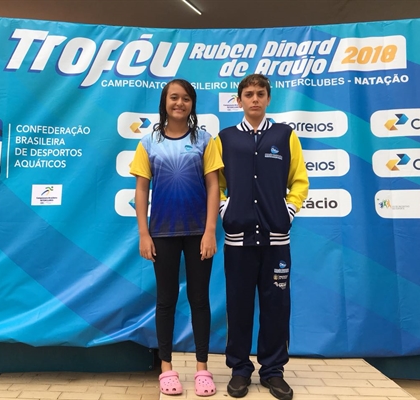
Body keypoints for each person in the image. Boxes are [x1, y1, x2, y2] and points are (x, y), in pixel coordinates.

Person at [214, 74, 309, 400]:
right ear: (239, 100)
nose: (254, 99)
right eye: (248, 94)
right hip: (238, 242)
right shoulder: (224, 138)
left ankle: (273, 371)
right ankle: (240, 370)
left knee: (276, 305)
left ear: (269, 99)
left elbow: (300, 181)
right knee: (238, 306)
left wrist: (288, 212)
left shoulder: (285, 136)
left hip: (276, 241)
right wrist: (226, 210)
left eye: (260, 94)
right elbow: (216, 184)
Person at [130, 79, 223, 397]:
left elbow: (214, 186)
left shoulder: (205, 140)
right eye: (174, 97)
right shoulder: (148, 142)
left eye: (186, 98)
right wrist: (144, 233)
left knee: (199, 300)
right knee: (166, 300)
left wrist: (210, 230)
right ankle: (166, 368)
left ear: (192, 104)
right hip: (162, 233)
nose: (179, 103)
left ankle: (202, 369)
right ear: (164, 102)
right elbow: (141, 189)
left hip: (199, 233)